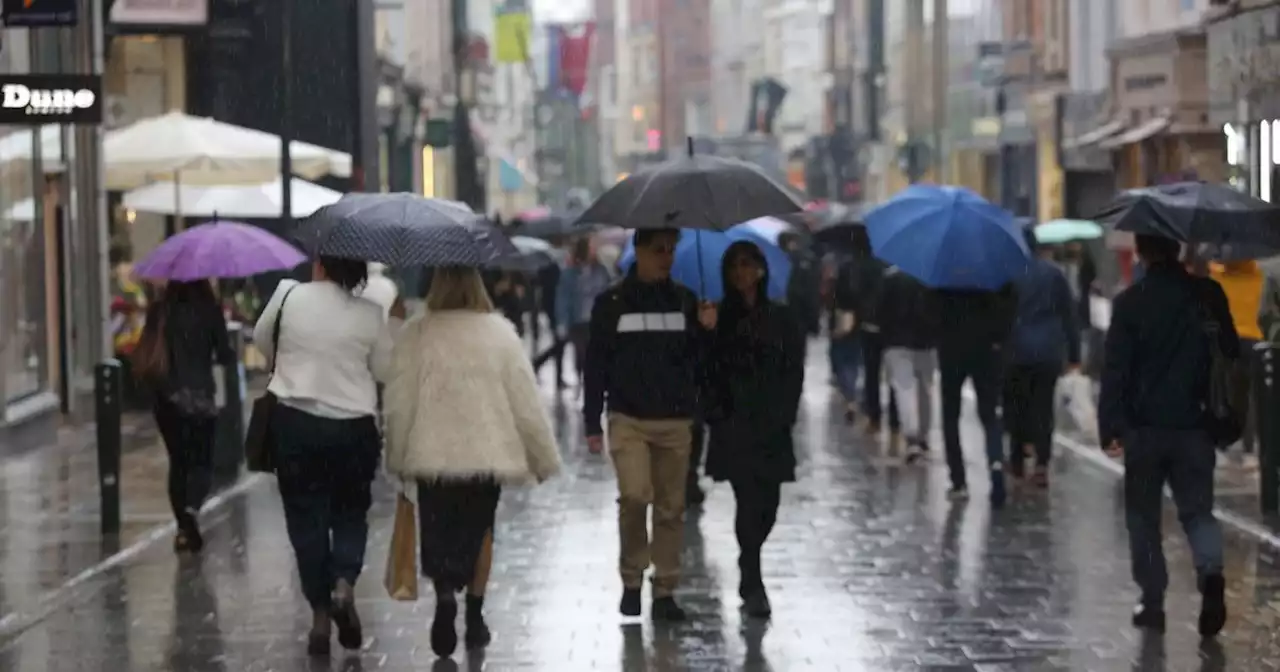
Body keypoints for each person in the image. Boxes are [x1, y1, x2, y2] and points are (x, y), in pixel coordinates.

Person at [384, 266, 560, 658]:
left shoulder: (416, 333)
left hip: (432, 454)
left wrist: (397, 455)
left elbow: (398, 403)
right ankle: (475, 615)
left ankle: (445, 595)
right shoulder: (499, 334)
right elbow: (525, 403)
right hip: (486, 453)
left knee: (437, 530)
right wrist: (542, 458)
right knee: (482, 531)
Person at [253, 256, 405, 656]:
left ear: (320, 262)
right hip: (353, 425)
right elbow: (386, 369)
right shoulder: (371, 312)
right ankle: (344, 585)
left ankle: (320, 617)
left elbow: (262, 340)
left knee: (306, 519)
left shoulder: (287, 294)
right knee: (351, 512)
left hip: (295, 422)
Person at [1101, 234, 1234, 638]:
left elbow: (1115, 371)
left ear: (1140, 252)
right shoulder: (1208, 295)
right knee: (1198, 512)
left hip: (1144, 430)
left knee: (1143, 518)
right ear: (1177, 250)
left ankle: (1153, 602)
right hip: (1195, 426)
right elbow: (1230, 351)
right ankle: (1210, 569)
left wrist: (1111, 428)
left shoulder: (1130, 302)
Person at [583, 228, 716, 621]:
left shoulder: (685, 301)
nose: (667, 257)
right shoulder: (612, 302)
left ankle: (665, 590)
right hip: (628, 418)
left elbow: (702, 364)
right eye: (659, 250)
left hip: (676, 419)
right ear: (638, 252)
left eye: (671, 250)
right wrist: (592, 420)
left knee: (671, 507)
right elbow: (596, 363)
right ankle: (631, 578)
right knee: (635, 496)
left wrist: (707, 330)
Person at [704, 241, 805, 618]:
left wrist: (787, 413)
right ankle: (753, 579)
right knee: (747, 500)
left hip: (773, 423)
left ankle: (749, 559)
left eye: (747, 265)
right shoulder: (719, 316)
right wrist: (707, 331)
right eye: (734, 267)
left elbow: (795, 367)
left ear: (761, 270)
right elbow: (707, 369)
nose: (741, 273)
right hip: (735, 424)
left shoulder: (781, 317)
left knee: (769, 506)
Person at [131, 280, 234, 553]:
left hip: (166, 399)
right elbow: (225, 354)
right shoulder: (209, 309)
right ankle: (191, 511)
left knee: (178, 462)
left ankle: (182, 529)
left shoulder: (161, 309)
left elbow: (147, 346)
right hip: (200, 399)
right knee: (202, 462)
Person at [1005, 230, 1081, 486]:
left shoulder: (1006, 274)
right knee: (1043, 407)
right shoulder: (1054, 274)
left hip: (1014, 350)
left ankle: (1016, 461)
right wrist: (1074, 354)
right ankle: (1041, 463)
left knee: (1016, 405)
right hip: (1047, 351)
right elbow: (1069, 315)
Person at [935, 283, 1017, 504]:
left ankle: (958, 480)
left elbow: (931, 311)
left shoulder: (945, 276)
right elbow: (1010, 310)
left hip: (951, 348)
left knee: (950, 415)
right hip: (987, 350)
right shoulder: (996, 274)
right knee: (990, 414)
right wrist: (999, 340)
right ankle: (996, 466)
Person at [877, 265, 939, 463]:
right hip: (926, 342)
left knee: (904, 389)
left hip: (895, 341)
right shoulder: (932, 279)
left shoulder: (889, 278)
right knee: (925, 389)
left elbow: (880, 312)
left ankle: (911, 436)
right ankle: (923, 436)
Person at [1210, 259, 1263, 456]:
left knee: (1225, 391)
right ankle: (1251, 440)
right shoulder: (1259, 276)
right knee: (1252, 393)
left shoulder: (1217, 277)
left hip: (1227, 341)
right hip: (1254, 340)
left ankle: (1228, 437)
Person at [555, 237, 613, 386]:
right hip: (578, 320)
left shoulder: (601, 270)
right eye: (591, 246)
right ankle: (583, 379)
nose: (595, 250)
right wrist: (562, 322)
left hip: (597, 319)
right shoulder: (570, 273)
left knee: (596, 353)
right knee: (582, 354)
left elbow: (609, 290)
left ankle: (593, 382)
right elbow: (564, 297)